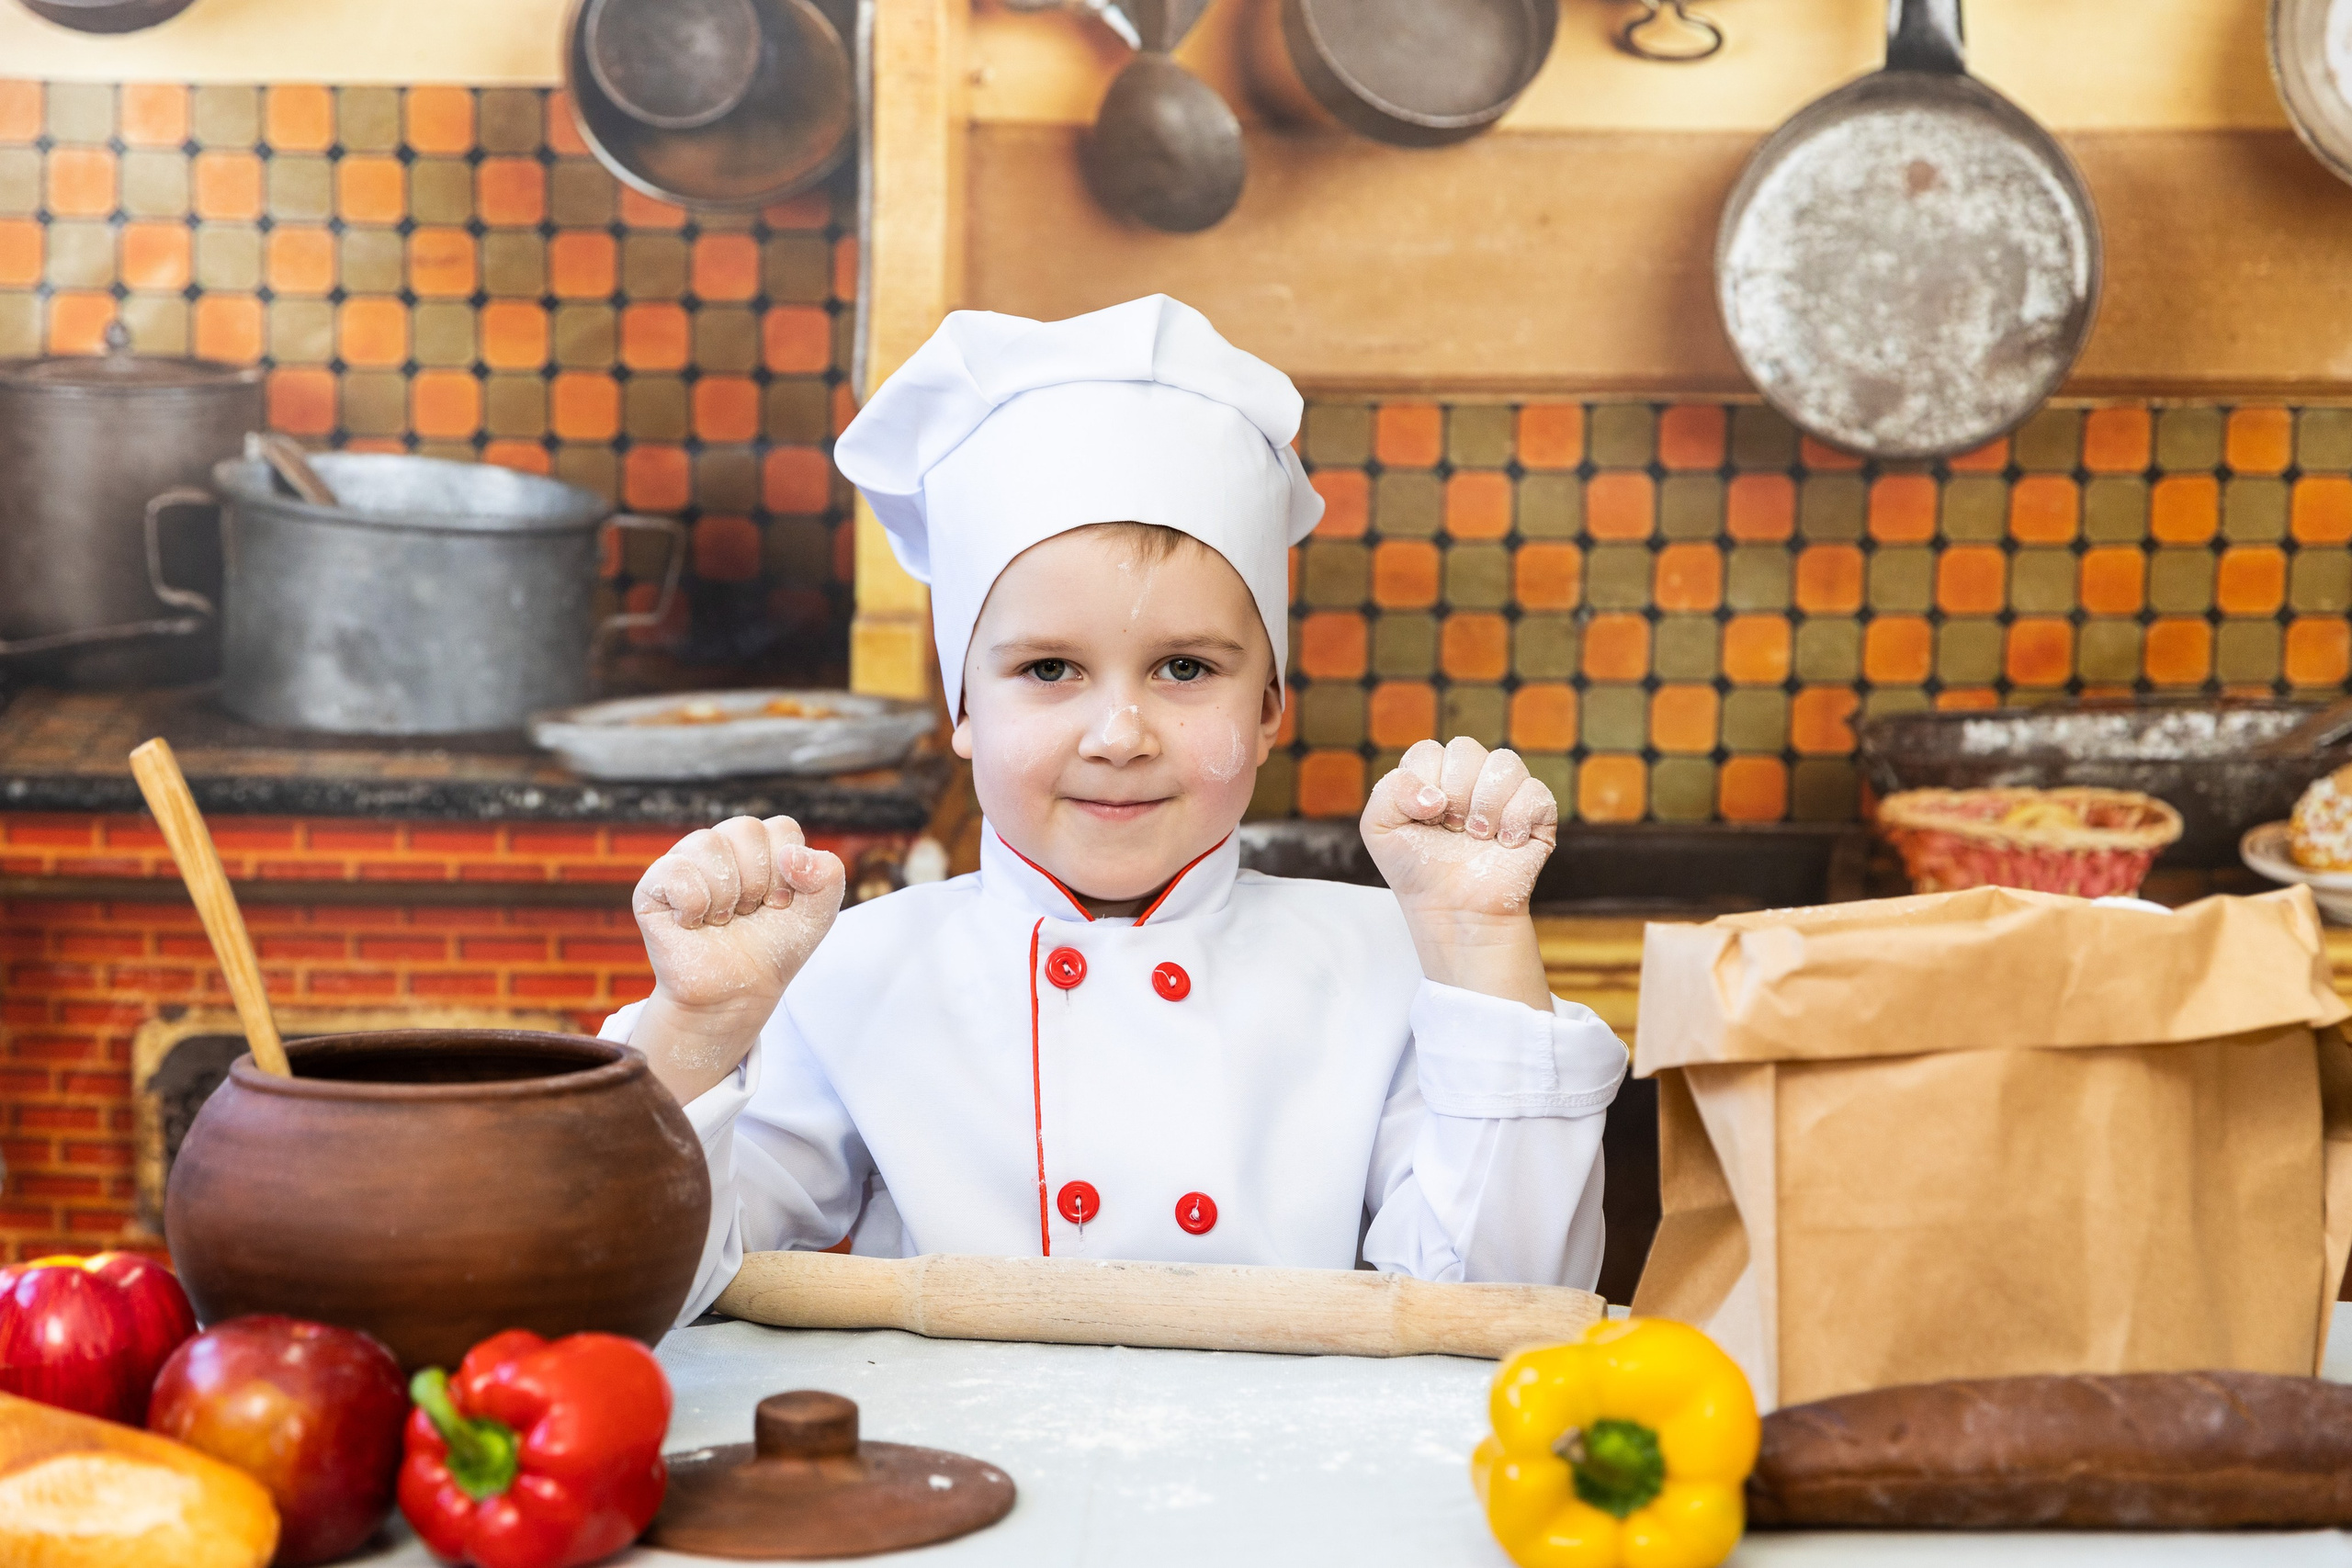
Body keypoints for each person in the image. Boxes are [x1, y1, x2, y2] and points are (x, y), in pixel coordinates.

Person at [602, 295, 1627, 1324]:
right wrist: (695, 1030)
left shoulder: (1392, 967)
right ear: (961, 706)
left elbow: (1505, 1312)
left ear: (1269, 707)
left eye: (1184, 667)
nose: (1119, 733)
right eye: (1049, 668)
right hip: (952, 1472)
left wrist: (1479, 951)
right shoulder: (848, 975)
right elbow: (650, 1290)